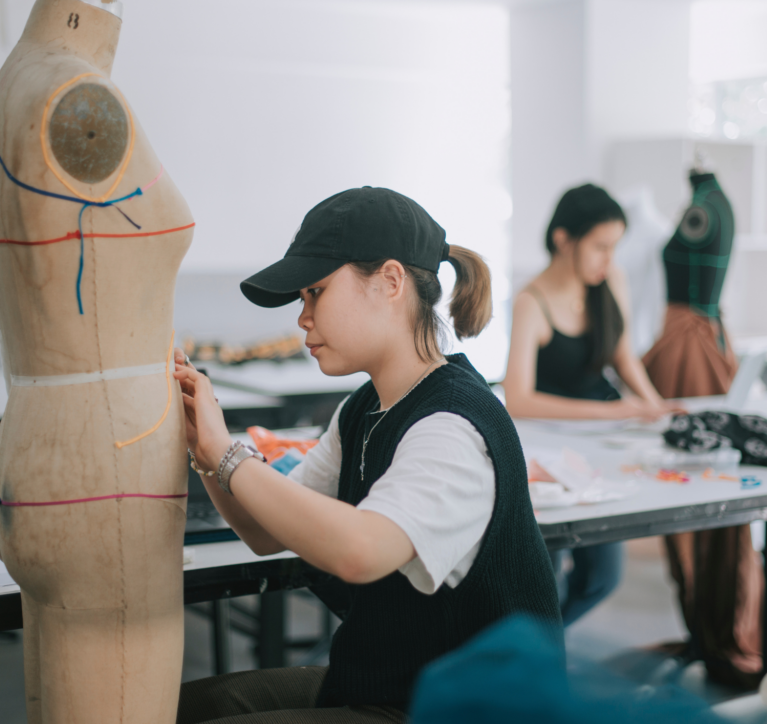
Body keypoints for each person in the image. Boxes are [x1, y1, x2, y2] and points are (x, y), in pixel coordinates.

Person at [173, 187, 561, 723]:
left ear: (391, 281)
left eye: (316, 292)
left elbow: (361, 550)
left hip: (457, 709)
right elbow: (264, 532)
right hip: (387, 684)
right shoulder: (363, 409)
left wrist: (227, 451)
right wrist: (204, 447)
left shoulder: (453, 425)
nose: (303, 318)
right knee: (175, 709)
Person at [503, 183, 677, 627]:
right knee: (546, 579)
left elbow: (623, 356)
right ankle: (531, 652)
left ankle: (536, 646)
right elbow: (518, 399)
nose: (609, 259)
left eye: (614, 247)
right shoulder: (531, 302)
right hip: (551, 458)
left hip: (603, 447)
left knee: (602, 577)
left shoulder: (609, 280)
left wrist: (655, 405)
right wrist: (615, 411)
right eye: (600, 247)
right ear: (564, 240)